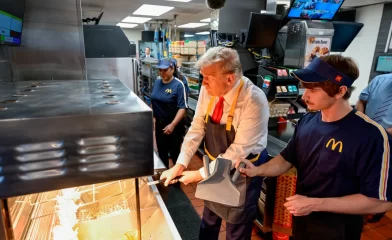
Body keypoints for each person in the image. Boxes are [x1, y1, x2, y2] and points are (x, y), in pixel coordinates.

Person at [238, 55, 392, 240]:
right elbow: (287, 158)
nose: (304, 96)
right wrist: (257, 170)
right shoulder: (307, 121)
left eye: (313, 89)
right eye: (304, 87)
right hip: (302, 220)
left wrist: (314, 204)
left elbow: (380, 203)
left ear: (340, 91)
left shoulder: (371, 136)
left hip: (338, 229)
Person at [160, 47, 269, 240]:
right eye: (202, 76)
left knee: (236, 226)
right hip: (212, 164)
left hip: (242, 171)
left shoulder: (254, 100)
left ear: (230, 78)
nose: (203, 83)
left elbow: (237, 152)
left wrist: (199, 175)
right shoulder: (207, 89)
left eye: (208, 77)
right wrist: (181, 164)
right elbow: (197, 126)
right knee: (209, 219)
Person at [356, 73, 392, 222]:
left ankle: (372, 213)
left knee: (379, 184)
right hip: (364, 137)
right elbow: (361, 102)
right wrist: (360, 123)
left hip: (389, 144)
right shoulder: (380, 80)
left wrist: (377, 135)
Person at [151, 58, 188, 168]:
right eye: (160, 70)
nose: (162, 73)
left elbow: (183, 108)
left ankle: (177, 180)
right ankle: (165, 178)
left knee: (175, 154)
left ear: (173, 69)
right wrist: (152, 118)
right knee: (161, 152)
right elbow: (154, 100)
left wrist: (172, 125)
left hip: (174, 125)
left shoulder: (178, 85)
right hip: (159, 124)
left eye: (165, 70)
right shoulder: (157, 82)